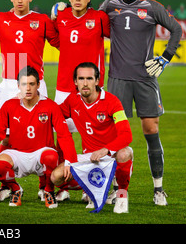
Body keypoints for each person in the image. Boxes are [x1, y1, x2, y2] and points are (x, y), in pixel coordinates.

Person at [98, 0, 182, 205]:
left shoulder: (151, 7)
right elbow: (90, 23)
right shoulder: (109, 5)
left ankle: (158, 189)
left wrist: (166, 56)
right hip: (118, 78)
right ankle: (116, 188)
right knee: (113, 135)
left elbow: (175, 29)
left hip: (145, 79)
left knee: (151, 131)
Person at [0, 0, 60, 201]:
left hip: (37, 84)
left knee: (44, 135)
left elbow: (60, 41)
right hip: (8, 83)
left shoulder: (42, 20)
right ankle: (8, 185)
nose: (19, 0)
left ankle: (45, 186)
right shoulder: (0, 20)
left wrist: (60, 18)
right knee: (5, 138)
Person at [0, 66, 78, 208]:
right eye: (24, 84)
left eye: (31, 84)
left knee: (51, 157)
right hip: (17, 152)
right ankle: (16, 189)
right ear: (18, 86)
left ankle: (48, 190)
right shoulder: (9, 105)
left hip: (42, 152)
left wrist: (70, 161)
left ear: (38, 85)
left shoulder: (50, 106)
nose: (27, 88)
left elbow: (64, 135)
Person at [51, 0, 110, 202]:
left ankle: (92, 184)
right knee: (61, 137)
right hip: (64, 87)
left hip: (91, 88)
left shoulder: (99, 18)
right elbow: (56, 40)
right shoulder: (61, 17)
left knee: (93, 138)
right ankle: (62, 186)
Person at [51, 62, 133, 213]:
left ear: (97, 81)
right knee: (56, 177)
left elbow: (127, 135)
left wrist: (106, 150)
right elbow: (53, 113)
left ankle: (122, 194)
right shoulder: (72, 100)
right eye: (81, 79)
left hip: (110, 155)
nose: (85, 83)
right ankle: (94, 185)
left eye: (89, 78)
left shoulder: (112, 101)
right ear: (75, 82)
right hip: (89, 158)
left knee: (124, 153)